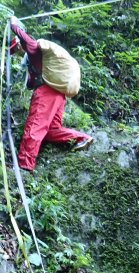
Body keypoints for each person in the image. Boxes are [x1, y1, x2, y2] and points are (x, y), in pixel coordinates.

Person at [9, 16, 94, 172]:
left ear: (20, 46)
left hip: (47, 93)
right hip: (58, 96)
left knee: (35, 125)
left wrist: (13, 25)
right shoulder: (37, 61)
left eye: (16, 49)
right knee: (50, 131)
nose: (16, 52)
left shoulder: (34, 51)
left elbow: (28, 41)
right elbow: (30, 81)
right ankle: (82, 138)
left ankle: (24, 165)